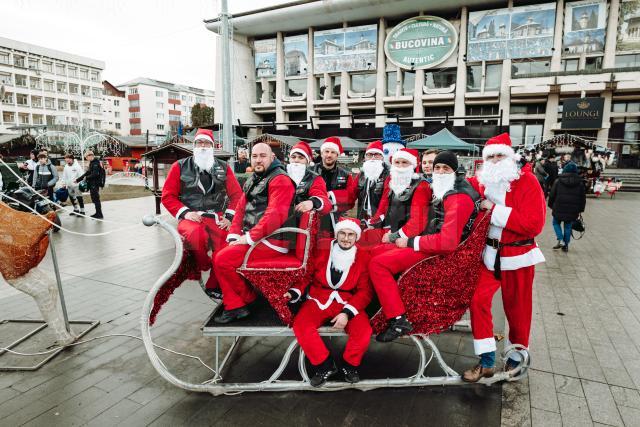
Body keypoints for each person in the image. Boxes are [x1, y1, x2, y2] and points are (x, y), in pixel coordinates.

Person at [370, 150, 479, 342]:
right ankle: (377, 304)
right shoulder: (449, 188)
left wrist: (411, 241)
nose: (439, 171)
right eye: (437, 167)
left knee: (378, 264)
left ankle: (397, 320)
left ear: (455, 170)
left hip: (440, 254)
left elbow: (447, 242)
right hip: (430, 244)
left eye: (445, 168)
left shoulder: (458, 196)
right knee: (374, 251)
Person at [464, 133, 546, 383]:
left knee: (518, 310)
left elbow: (534, 224)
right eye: (491, 156)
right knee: (477, 300)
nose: (496, 160)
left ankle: (516, 358)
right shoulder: (483, 182)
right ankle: (487, 359)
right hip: (489, 256)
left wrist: (494, 210)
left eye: (500, 155)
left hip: (518, 256)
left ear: (510, 157)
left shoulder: (527, 181)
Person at [213, 143, 295, 323]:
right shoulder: (254, 178)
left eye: (262, 156)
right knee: (220, 254)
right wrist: (234, 234)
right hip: (257, 237)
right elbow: (240, 209)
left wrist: (247, 238)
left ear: (272, 157)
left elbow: (274, 216)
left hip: (273, 240)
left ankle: (247, 299)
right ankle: (235, 306)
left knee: (222, 259)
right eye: (255, 156)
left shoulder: (280, 179)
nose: (258, 159)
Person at [285, 218, 373, 387]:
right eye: (342, 233)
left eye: (351, 235)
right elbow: (307, 273)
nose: (346, 238)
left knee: (363, 331)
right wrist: (294, 291)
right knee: (301, 325)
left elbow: (365, 291)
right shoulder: (323, 247)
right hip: (319, 297)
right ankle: (325, 365)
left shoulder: (363, 256)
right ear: (337, 233)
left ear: (356, 237)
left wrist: (347, 313)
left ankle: (350, 365)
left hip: (347, 301)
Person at [161, 129, 243, 299]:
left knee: (226, 246)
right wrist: (185, 213)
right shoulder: (180, 166)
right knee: (194, 235)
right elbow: (168, 196)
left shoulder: (223, 167)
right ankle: (202, 264)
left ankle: (215, 284)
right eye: (200, 143)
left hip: (217, 216)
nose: (203, 146)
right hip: (192, 216)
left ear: (213, 146)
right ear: (194, 146)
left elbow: (237, 196)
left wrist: (229, 217)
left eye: (207, 143)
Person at [310, 137, 357, 237]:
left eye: (333, 152)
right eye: (326, 151)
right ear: (322, 153)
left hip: (336, 220)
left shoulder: (346, 174)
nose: (329, 155)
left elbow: (351, 198)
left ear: (337, 155)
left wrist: (331, 196)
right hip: (313, 219)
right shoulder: (309, 171)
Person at [286, 141, 331, 218]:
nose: (296, 160)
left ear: (308, 161)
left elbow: (326, 204)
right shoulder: (280, 175)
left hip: (302, 224)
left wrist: (313, 202)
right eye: (293, 157)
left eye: (301, 157)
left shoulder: (314, 178)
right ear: (289, 158)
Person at [548, 162, 585, 252]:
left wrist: (550, 205)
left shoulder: (558, 181)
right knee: (568, 226)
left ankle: (560, 239)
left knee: (556, 223)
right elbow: (582, 198)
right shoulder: (580, 183)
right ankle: (566, 245)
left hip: (558, 207)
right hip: (573, 210)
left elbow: (552, 194)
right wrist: (580, 209)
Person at [75, 151, 104, 219]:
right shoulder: (92, 163)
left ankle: (99, 214)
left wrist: (86, 177)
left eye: (86, 157)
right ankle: (98, 213)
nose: (86, 159)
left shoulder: (96, 163)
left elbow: (95, 174)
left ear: (91, 156)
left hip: (95, 183)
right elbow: (87, 172)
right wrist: (78, 180)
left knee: (96, 199)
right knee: (94, 199)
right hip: (92, 183)